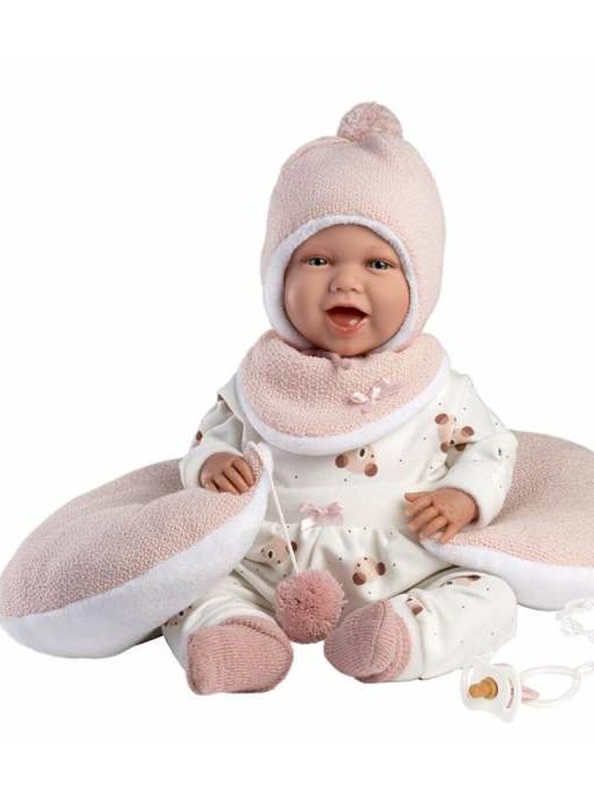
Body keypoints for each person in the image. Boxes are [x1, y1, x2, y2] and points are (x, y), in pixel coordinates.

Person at [162, 102, 519, 695]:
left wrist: (464, 496)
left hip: (405, 568)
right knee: (183, 585)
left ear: (420, 285)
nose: (345, 281)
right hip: (265, 565)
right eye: (317, 259)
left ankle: (398, 637)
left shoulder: (437, 386)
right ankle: (239, 636)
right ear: (278, 277)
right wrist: (211, 463)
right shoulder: (261, 378)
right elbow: (210, 438)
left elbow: (492, 448)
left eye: (378, 263)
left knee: (490, 596)